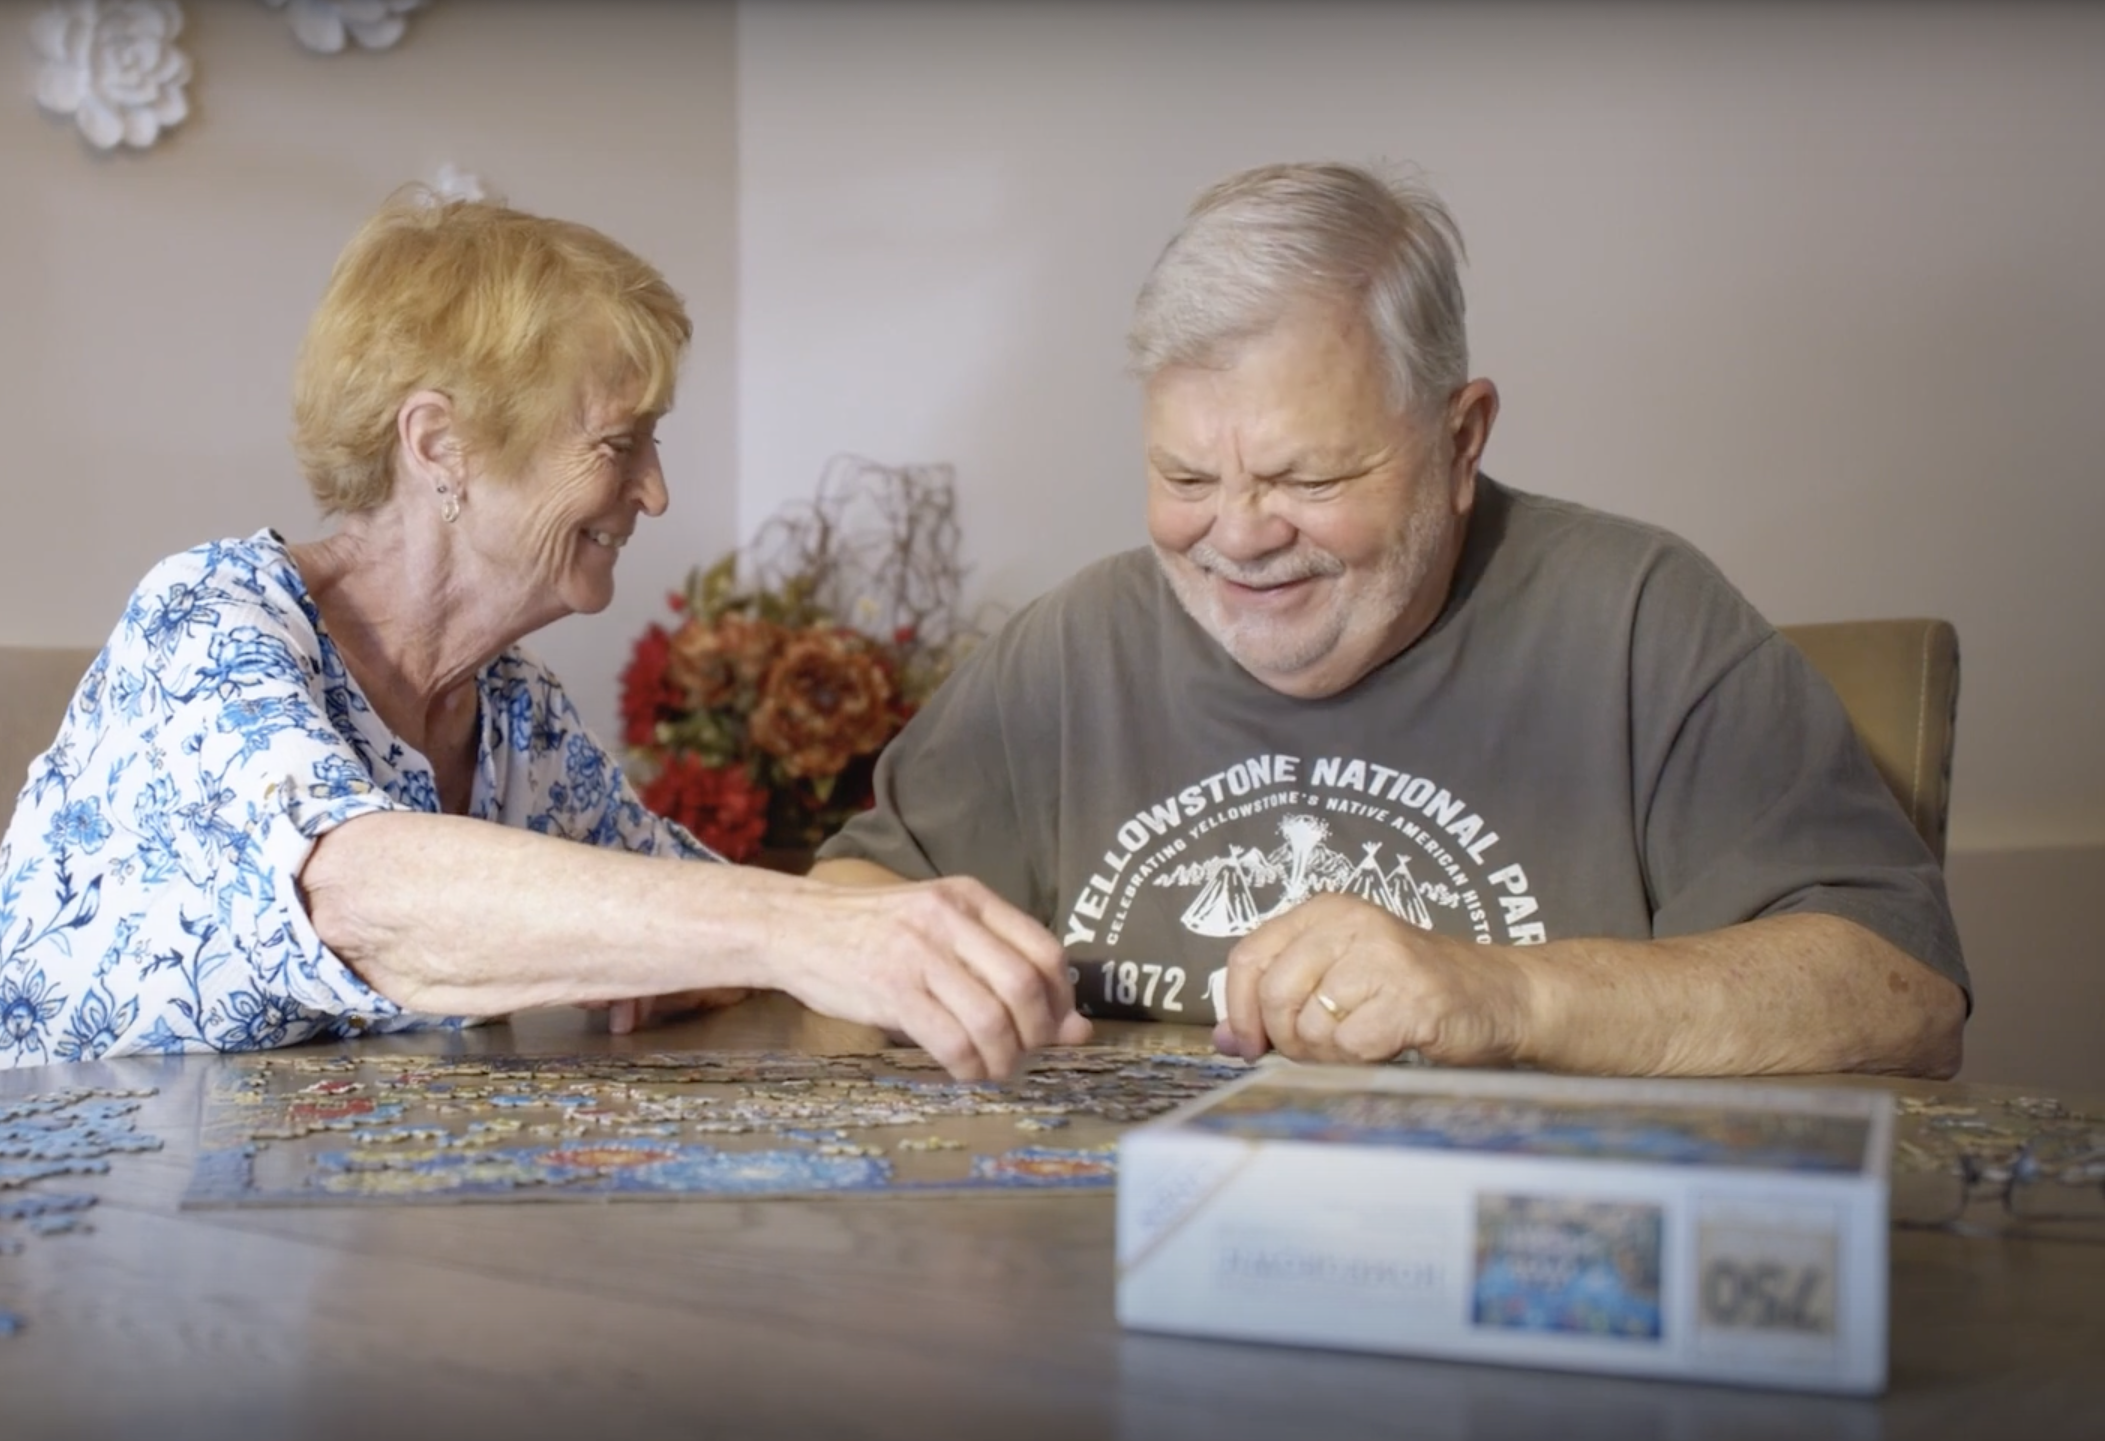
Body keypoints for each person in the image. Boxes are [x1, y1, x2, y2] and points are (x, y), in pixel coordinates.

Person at [813, 161, 1968, 1078]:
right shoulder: (1073, 648)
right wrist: (875, 954)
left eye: (1309, 478)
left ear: (1461, 442)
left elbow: (1902, 992)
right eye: (1187, 478)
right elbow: (854, 904)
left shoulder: (1640, 621)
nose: (1239, 537)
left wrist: (1505, 994)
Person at [0, 193, 1090, 1081]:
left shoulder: (511, 708)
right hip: (63, 1235)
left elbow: (673, 901)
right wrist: (791, 929)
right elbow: (362, 898)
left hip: (320, 1239)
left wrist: (908, 937)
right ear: (438, 445)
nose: (655, 491)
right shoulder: (207, 619)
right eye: (619, 444)